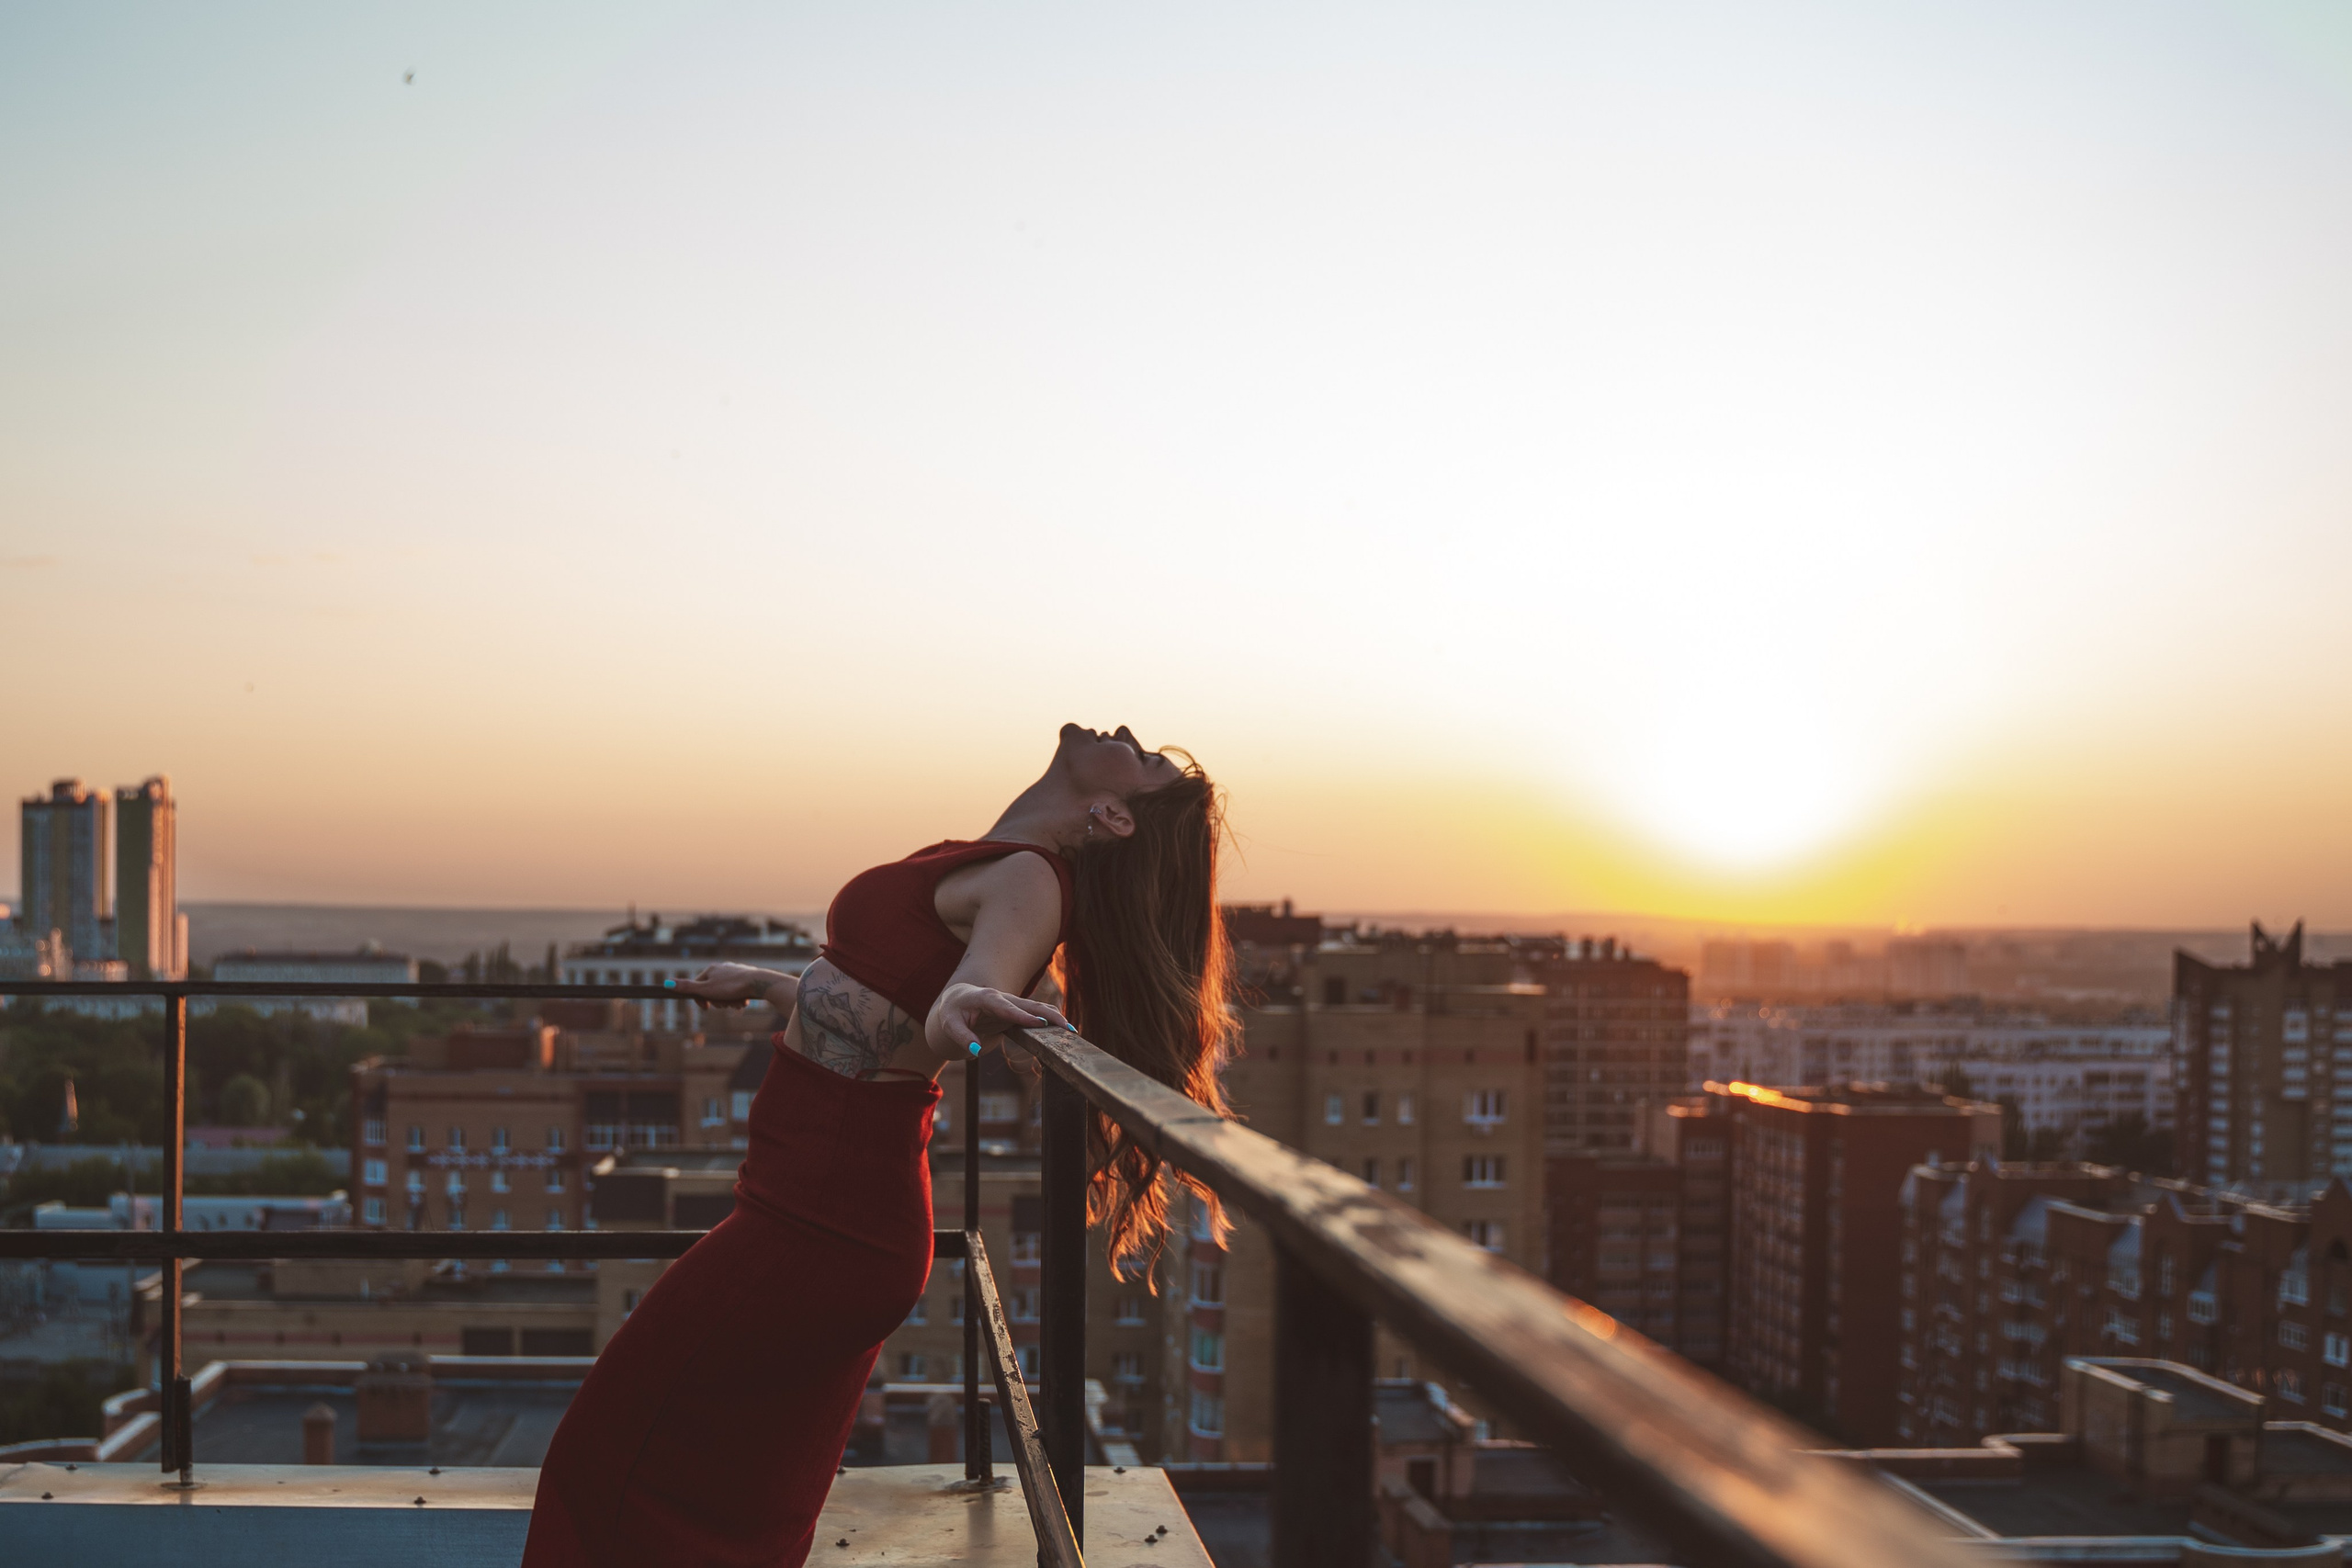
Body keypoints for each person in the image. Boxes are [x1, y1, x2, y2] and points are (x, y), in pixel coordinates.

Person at [522, 723, 1235, 1568]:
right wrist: (775, 986)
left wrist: (967, 1010)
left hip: (827, 1224)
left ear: (1115, 814)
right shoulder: (1002, 860)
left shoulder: (1028, 881)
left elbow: (954, 1007)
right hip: (813, 1209)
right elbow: (894, 1007)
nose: (1125, 731)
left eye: (1145, 756)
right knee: (741, 1495)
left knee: (609, 1449)